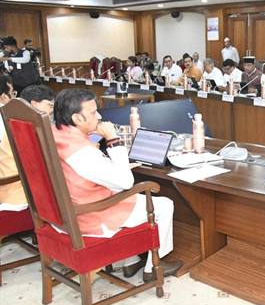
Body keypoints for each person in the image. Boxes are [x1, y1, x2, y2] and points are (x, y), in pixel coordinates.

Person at [52, 88, 182, 281]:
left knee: (125, 194)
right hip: (91, 216)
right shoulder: (81, 152)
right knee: (164, 205)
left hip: (65, 210)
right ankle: (153, 267)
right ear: (77, 118)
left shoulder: (56, 133)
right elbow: (126, 183)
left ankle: (130, 260)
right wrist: (113, 139)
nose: (99, 116)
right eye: (93, 113)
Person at [1, 83, 55, 212]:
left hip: (9, 189)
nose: (52, 110)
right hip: (21, 197)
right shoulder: (28, 130)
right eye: (49, 105)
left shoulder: (16, 122)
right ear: (34, 104)